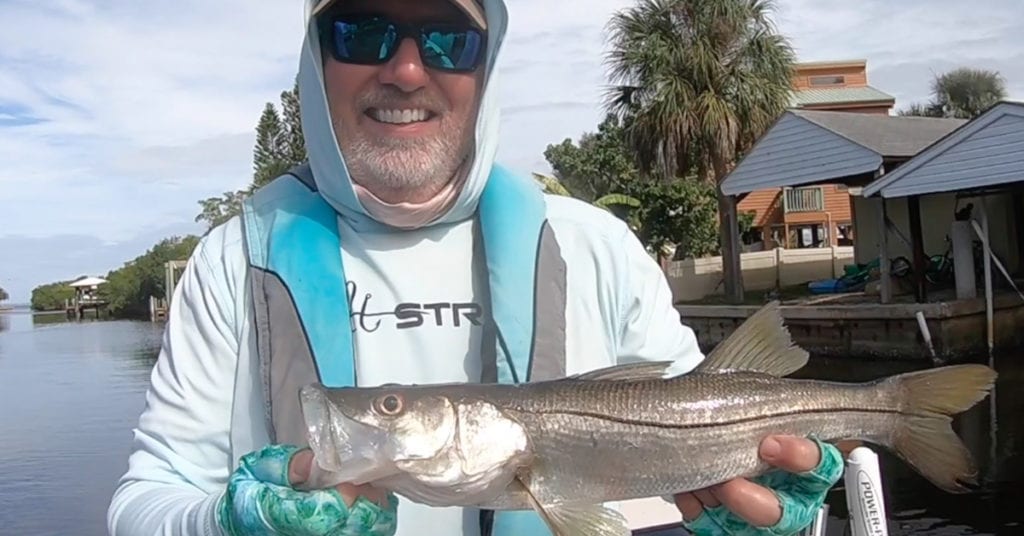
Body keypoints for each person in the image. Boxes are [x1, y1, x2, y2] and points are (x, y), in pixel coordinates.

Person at [106, 0, 843, 534]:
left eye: (448, 40)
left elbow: (710, 426)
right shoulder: (229, 262)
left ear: (487, 66)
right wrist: (230, 523)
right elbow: (146, 502)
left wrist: (759, 498)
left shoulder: (599, 245)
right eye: (361, 31)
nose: (404, 70)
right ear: (315, 57)